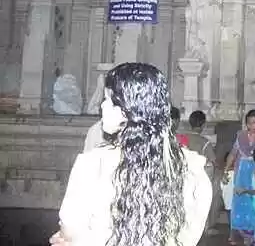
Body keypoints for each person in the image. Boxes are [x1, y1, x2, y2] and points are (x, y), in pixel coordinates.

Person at [49, 62, 212, 246]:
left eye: (108, 100)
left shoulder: (93, 165)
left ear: (127, 111)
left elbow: (70, 229)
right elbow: (192, 232)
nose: (102, 106)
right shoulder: (191, 167)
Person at [223, 110, 255, 245]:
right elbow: (233, 153)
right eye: (248, 123)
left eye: (254, 123)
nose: (251, 125)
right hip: (242, 172)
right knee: (241, 201)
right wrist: (225, 170)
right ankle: (246, 234)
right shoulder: (241, 136)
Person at [184, 110, 217, 231]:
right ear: (203, 125)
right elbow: (213, 160)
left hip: (186, 174)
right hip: (200, 176)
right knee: (202, 201)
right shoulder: (205, 142)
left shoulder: (183, 138)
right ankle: (205, 228)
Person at [220, 151, 235, 243]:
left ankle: (233, 236)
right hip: (230, 200)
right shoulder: (225, 174)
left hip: (232, 200)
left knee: (233, 220)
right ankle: (232, 235)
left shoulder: (237, 172)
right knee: (232, 220)